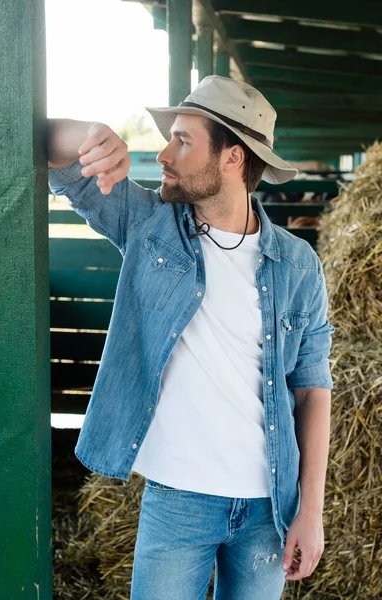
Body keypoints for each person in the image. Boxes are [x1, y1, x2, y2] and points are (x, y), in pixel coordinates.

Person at [47, 75, 334, 600]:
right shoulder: (150, 225)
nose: (162, 154)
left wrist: (310, 511)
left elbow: (313, 390)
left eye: (182, 140)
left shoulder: (298, 265)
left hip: (268, 507)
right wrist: (89, 132)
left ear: (232, 158)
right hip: (178, 499)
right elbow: (49, 151)